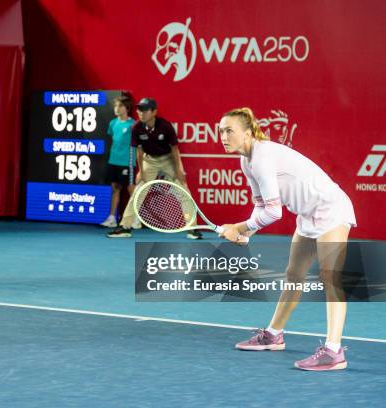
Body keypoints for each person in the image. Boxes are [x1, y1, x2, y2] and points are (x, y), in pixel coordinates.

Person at [218, 107, 356, 371]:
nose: (223, 136)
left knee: (330, 277)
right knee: (293, 274)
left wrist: (238, 226)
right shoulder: (246, 161)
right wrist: (247, 231)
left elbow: (273, 211)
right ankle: (274, 334)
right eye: (221, 130)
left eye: (229, 130)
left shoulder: (262, 157)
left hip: (331, 209)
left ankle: (334, 351)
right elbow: (262, 207)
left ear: (247, 133)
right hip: (307, 215)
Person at [107, 97, 202, 239]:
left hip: (168, 159)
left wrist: (179, 170)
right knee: (138, 191)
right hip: (149, 160)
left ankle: (192, 228)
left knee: (183, 190)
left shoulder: (165, 126)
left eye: (145, 110)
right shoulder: (137, 128)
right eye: (139, 110)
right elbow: (139, 151)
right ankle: (125, 227)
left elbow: (175, 150)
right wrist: (141, 170)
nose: (141, 113)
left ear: (154, 112)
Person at [100, 95, 138, 228]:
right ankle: (112, 218)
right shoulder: (113, 123)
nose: (116, 109)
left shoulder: (133, 125)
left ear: (126, 108)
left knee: (131, 189)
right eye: (116, 106)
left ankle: (135, 219)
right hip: (113, 161)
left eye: (120, 106)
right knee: (115, 189)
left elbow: (138, 145)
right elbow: (114, 140)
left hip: (127, 162)